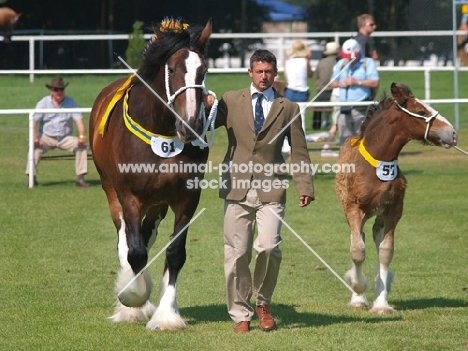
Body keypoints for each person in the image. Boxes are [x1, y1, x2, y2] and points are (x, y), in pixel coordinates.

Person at [211, 49, 314, 333]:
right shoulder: (230, 100)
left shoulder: (289, 107)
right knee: (237, 253)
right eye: (259, 71)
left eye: (268, 71)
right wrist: (204, 102)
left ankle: (262, 302)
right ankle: (240, 314)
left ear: (275, 74)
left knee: (269, 247)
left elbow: (299, 150)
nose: (264, 76)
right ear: (250, 72)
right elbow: (204, 124)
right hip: (236, 187)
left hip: (272, 186)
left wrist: (304, 185)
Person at [25, 77, 90, 187]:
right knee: (33, 147)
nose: (59, 92)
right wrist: (35, 138)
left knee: (82, 147)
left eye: (61, 90)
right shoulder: (43, 103)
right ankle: (32, 178)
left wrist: (82, 137)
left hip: (65, 138)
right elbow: (34, 122)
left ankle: (80, 178)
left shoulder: (71, 103)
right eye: (56, 90)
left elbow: (79, 121)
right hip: (46, 137)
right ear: (51, 91)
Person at [329, 38, 380, 146]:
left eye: (350, 55)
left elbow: (375, 83)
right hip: (343, 107)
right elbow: (332, 83)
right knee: (344, 139)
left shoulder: (368, 63)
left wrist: (358, 82)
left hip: (360, 106)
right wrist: (340, 84)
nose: (348, 58)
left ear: (358, 52)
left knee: (362, 136)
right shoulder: (341, 63)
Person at [313, 41, 340, 131]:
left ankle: (317, 124)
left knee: (317, 107)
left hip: (321, 91)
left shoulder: (321, 62)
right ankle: (332, 123)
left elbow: (317, 80)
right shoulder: (339, 62)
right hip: (335, 91)